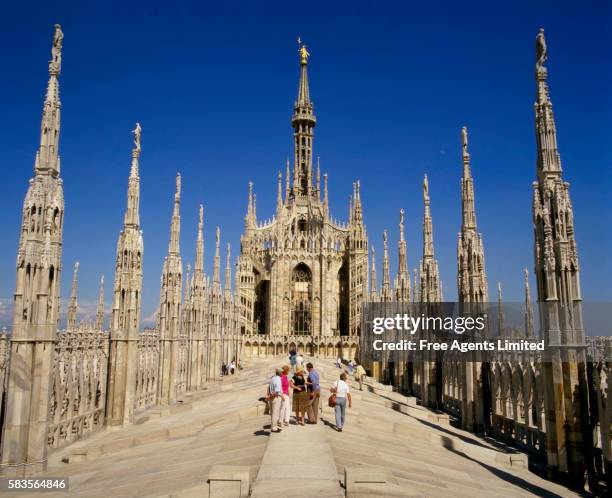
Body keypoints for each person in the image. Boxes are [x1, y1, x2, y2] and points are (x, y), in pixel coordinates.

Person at [268, 368, 283, 433]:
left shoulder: (273, 378)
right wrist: (271, 396)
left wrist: (270, 396)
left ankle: (274, 426)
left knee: (273, 412)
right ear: (280, 373)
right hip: (276, 397)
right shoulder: (278, 379)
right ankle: (274, 428)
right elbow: (277, 391)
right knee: (275, 413)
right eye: (282, 372)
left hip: (272, 397)